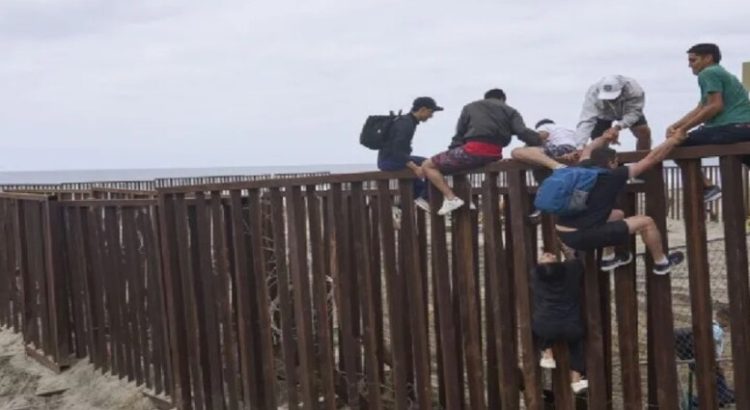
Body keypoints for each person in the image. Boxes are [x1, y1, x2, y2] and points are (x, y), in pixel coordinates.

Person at [555, 134, 685, 274]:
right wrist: (672, 141)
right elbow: (651, 159)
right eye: (616, 162)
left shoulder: (582, 167)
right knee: (646, 222)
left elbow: (589, 148)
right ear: (611, 162)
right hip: (583, 236)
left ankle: (609, 258)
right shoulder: (612, 176)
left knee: (617, 215)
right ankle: (661, 263)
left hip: (562, 233)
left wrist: (605, 137)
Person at [421, 89, 542, 215]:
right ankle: (468, 201)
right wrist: (538, 140)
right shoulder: (511, 111)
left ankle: (451, 198)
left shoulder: (470, 107)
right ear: (502, 99)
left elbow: (459, 134)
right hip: (495, 153)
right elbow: (522, 132)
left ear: (485, 98)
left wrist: (453, 151)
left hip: (474, 150)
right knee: (459, 168)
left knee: (428, 165)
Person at [666, 43, 750, 203]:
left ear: (708, 58)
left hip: (729, 128)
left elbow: (715, 106)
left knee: (675, 145)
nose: (689, 65)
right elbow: (701, 107)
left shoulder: (708, 73)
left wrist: (682, 131)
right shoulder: (724, 74)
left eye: (693, 60)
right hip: (745, 128)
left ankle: (708, 187)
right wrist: (676, 126)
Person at [532, 251, 588, 393]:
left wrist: (546, 263)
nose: (548, 254)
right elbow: (576, 260)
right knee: (576, 346)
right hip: (571, 326)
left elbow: (543, 271)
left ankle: (547, 352)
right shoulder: (571, 271)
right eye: (547, 256)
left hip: (546, 326)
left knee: (540, 326)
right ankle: (575, 378)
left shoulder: (536, 276)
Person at [377, 96, 443, 212]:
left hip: (387, 160)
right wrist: (414, 167)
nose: (431, 116)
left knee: (418, 184)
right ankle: (425, 198)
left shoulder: (406, 121)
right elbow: (397, 149)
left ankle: (399, 208)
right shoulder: (406, 123)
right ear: (422, 109)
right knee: (430, 164)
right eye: (430, 112)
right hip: (390, 160)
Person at [576, 75, 652, 150]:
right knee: (598, 141)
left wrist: (617, 127)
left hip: (628, 110)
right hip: (604, 113)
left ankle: (643, 159)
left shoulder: (635, 90)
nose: (610, 100)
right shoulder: (593, 93)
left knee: (644, 131)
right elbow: (586, 120)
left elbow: (634, 113)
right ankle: (601, 160)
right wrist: (580, 145)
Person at [511, 119, 587, 170]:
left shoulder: (544, 127)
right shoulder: (567, 130)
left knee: (516, 152)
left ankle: (559, 167)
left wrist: (526, 150)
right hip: (575, 151)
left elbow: (538, 137)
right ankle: (560, 162)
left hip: (561, 148)